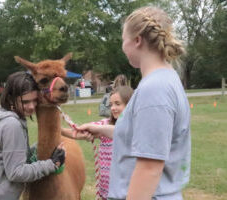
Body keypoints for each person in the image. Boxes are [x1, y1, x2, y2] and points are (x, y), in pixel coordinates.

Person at [76, 6, 190, 200]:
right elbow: (144, 136)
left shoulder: (155, 89)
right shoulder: (164, 80)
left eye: (123, 40)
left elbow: (149, 168)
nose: (123, 47)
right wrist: (102, 130)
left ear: (137, 41)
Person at [0, 71, 65, 200]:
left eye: (35, 100)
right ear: (11, 98)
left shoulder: (11, 117)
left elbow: (15, 153)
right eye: (26, 102)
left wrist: (43, 147)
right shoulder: (12, 124)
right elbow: (16, 173)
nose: (32, 106)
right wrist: (52, 164)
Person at [63, 86, 133, 200]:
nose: (113, 108)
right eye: (111, 105)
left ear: (130, 104)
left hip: (127, 191)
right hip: (106, 191)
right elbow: (80, 133)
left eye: (117, 104)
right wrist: (59, 130)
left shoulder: (137, 130)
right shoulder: (105, 125)